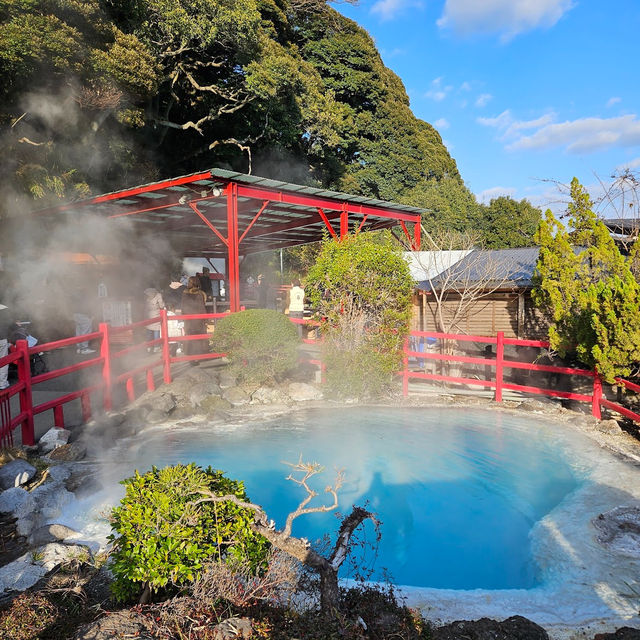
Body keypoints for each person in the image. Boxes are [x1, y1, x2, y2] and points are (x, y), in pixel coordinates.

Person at [181, 276, 207, 363]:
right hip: (195, 319)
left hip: (193, 319)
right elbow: (202, 307)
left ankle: (194, 357)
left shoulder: (197, 294)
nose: (188, 283)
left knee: (194, 338)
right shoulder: (200, 293)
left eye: (190, 282)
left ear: (194, 283)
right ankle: (194, 357)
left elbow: (184, 307)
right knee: (195, 338)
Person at [144, 287, 165, 352]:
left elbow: (145, 306)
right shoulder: (158, 295)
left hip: (148, 315)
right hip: (156, 314)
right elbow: (161, 306)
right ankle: (156, 347)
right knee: (156, 331)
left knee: (149, 331)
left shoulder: (146, 295)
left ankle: (149, 347)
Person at [0, 300, 11, 390]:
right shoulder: (4, 309)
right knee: (3, 361)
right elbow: (9, 325)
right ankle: (2, 383)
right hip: (2, 338)